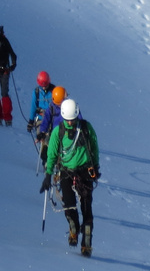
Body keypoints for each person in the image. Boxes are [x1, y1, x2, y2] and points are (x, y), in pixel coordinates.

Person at [39, 98, 99, 255]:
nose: (70, 123)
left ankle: (87, 243)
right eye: (68, 120)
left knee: (87, 206)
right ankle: (73, 228)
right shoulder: (58, 132)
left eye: (72, 120)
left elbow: (94, 146)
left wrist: (96, 167)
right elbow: (51, 154)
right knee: (69, 204)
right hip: (66, 171)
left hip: (85, 171)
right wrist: (48, 175)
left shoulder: (86, 128)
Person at [35, 83, 67, 164]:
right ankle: (47, 162)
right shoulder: (52, 108)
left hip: (66, 133)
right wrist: (42, 132)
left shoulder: (68, 107)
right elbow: (46, 120)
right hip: (55, 133)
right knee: (50, 148)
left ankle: (59, 164)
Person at [28, 71, 56, 143]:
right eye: (42, 86)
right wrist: (31, 121)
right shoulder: (36, 92)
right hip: (40, 119)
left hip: (52, 119)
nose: (43, 87)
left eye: (45, 85)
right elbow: (33, 106)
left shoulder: (54, 91)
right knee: (42, 138)